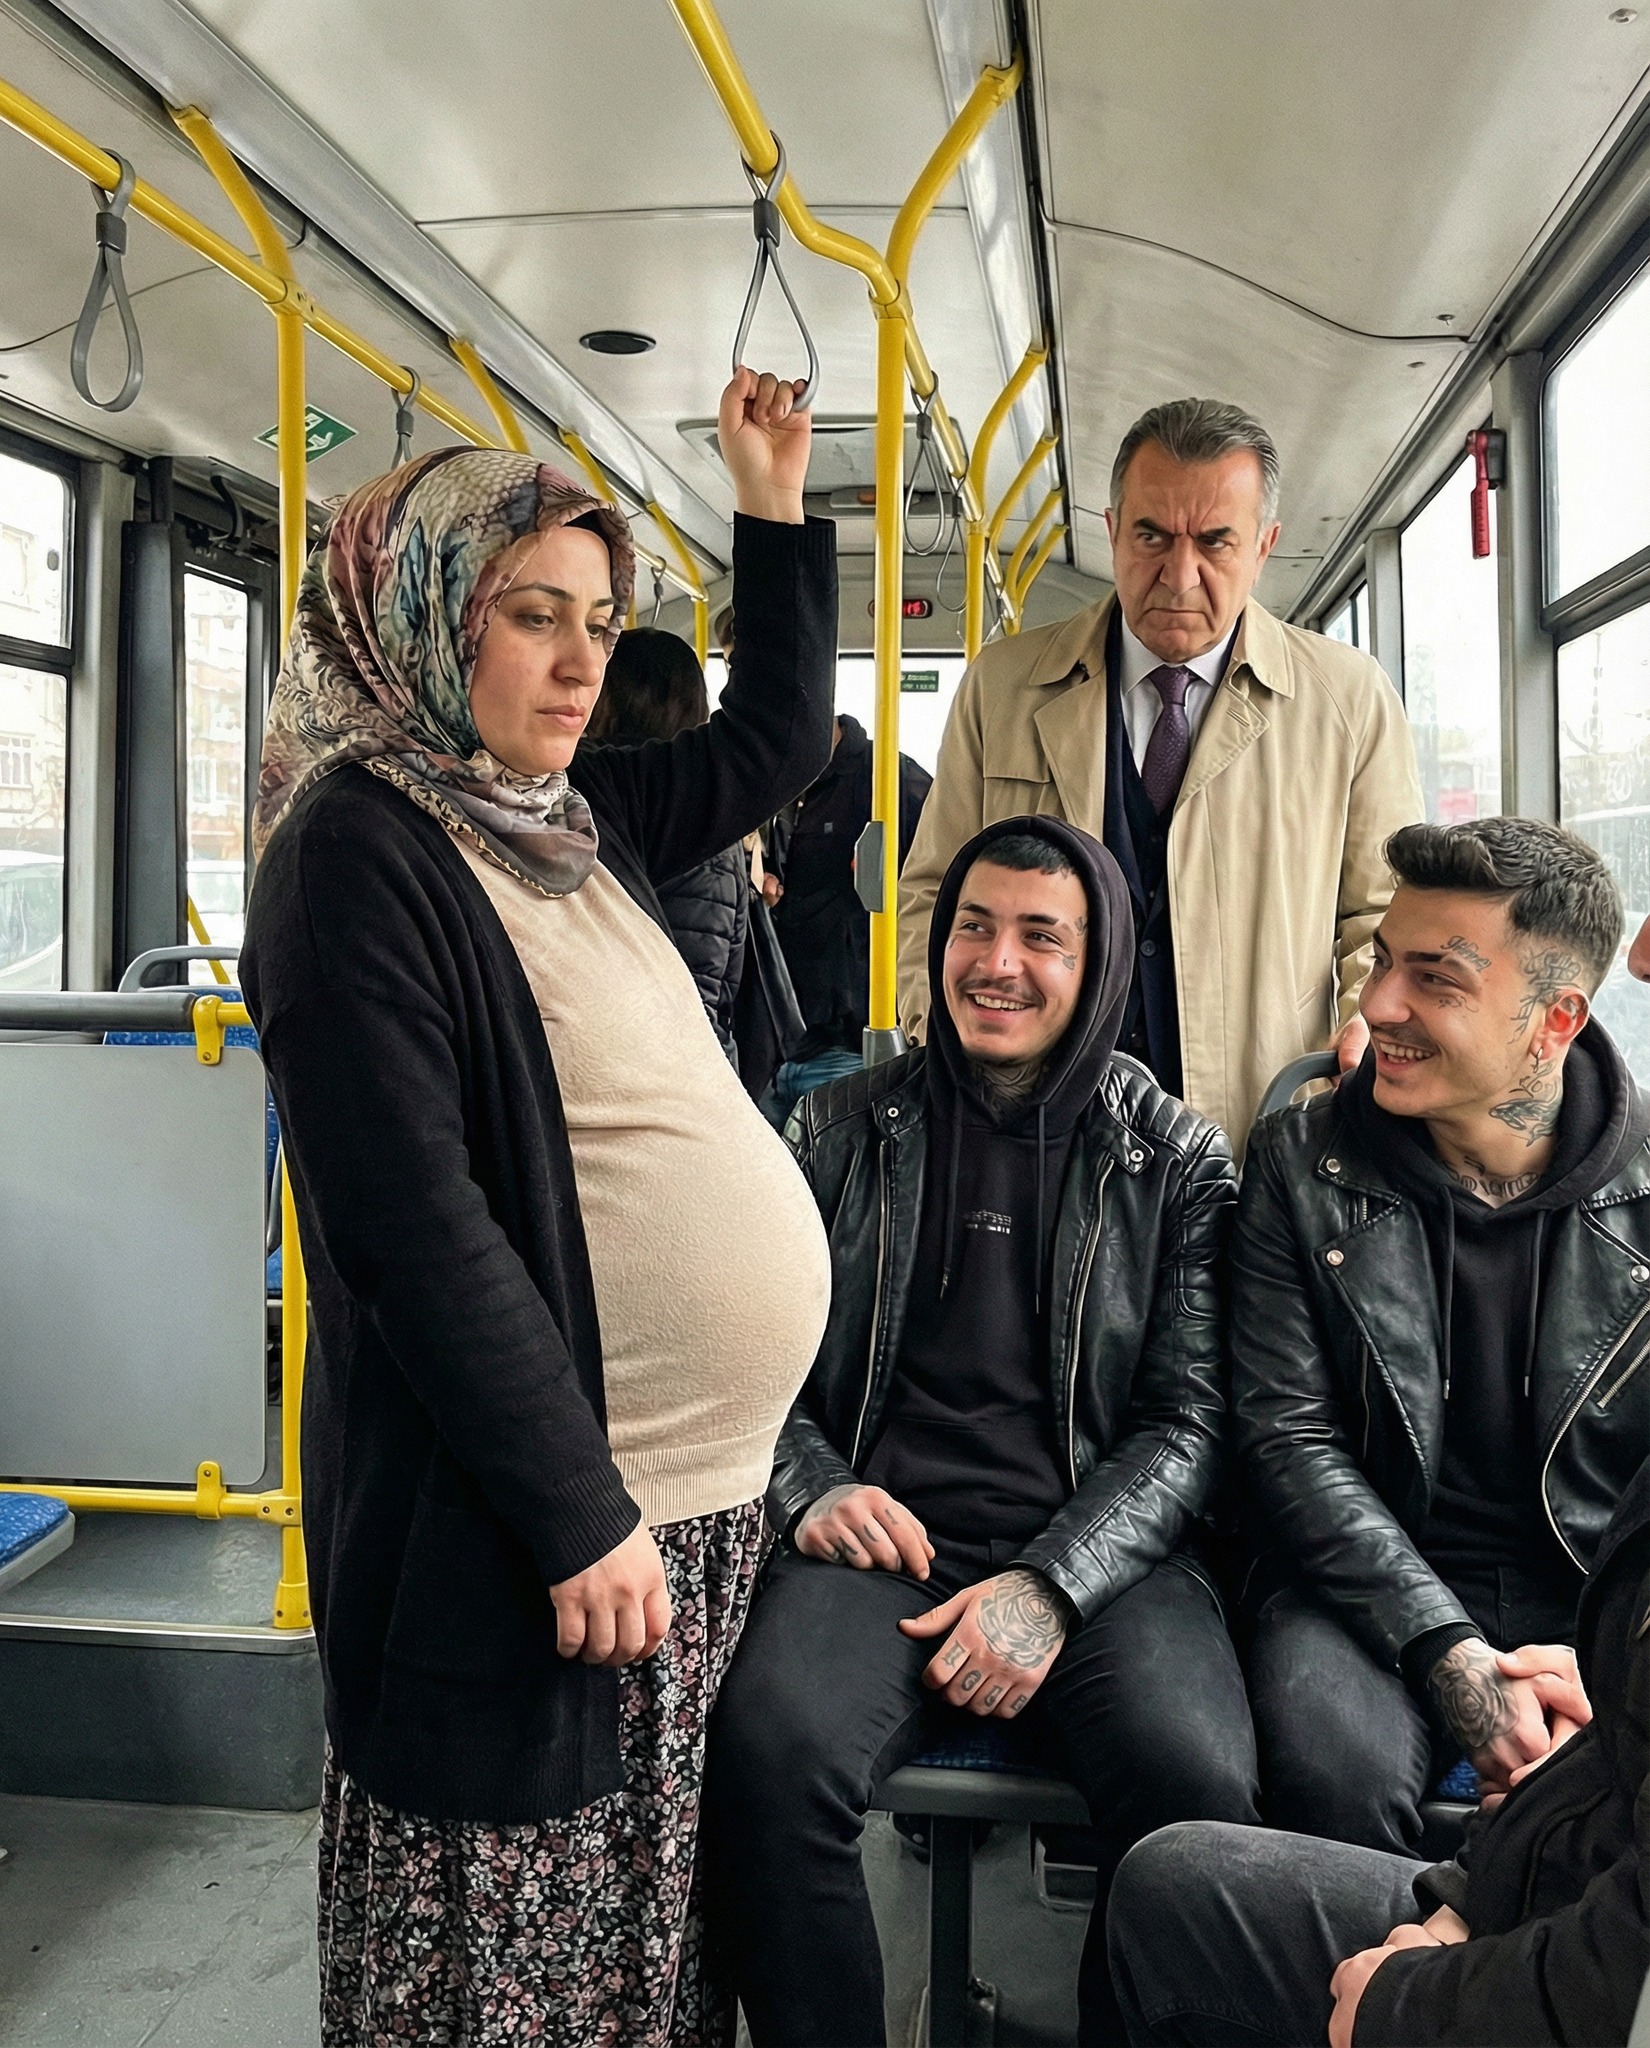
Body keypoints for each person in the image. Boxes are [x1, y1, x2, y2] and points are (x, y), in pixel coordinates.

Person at [239, 368, 836, 2047]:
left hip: (687, 1512)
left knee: (639, 1952)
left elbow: (777, 743)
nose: (581, 663)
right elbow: (410, 1228)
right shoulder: (356, 855)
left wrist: (773, 505)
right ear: (423, 620)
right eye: (530, 616)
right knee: (511, 1964)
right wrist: (576, 1510)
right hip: (541, 1525)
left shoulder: (566, 817)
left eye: (599, 620)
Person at [706, 815, 1260, 2048]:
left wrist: (1053, 1583)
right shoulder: (835, 1129)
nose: (997, 963)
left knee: (1197, 1787)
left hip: (1104, 1553)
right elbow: (746, 1358)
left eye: (1041, 936)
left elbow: (1188, 1420)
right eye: (974, 925)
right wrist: (810, 1486)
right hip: (884, 1537)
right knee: (767, 1753)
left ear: (1097, 961)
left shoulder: (1172, 1158)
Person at [1232, 816, 1650, 1856]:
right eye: (1383, 961)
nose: (1378, 1005)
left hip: (1591, 1589)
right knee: (1331, 1771)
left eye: (1436, 979)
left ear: (1555, 1021)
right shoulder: (1305, 1162)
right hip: (1356, 1579)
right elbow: (1288, 1440)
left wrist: (1611, 1659)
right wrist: (1444, 1645)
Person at [897, 397, 1422, 1150]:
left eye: (1215, 542)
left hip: (1257, 1128)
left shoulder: (1348, 700)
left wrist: (1363, 1035)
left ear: (1264, 546)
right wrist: (947, 1044)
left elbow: (1384, 915)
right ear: (1112, 532)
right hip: (1034, 1130)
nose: (1179, 575)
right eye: (1151, 536)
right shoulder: (1003, 686)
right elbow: (933, 891)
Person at [1106, 1452, 1650, 2048]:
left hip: (1581, 1980)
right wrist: (1463, 1900)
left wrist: (1403, 2006)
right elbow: (1612, 1776)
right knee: (1168, 1883)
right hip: (1568, 1901)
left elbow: (1621, 1984)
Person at [581, 626, 749, 1062]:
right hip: (703, 1056)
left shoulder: (591, 799)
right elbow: (725, 970)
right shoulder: (715, 808)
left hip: (631, 1054)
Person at [761, 711, 933, 1126]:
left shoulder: (886, 777)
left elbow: (933, 882)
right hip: (771, 1041)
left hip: (850, 1042)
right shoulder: (770, 779)